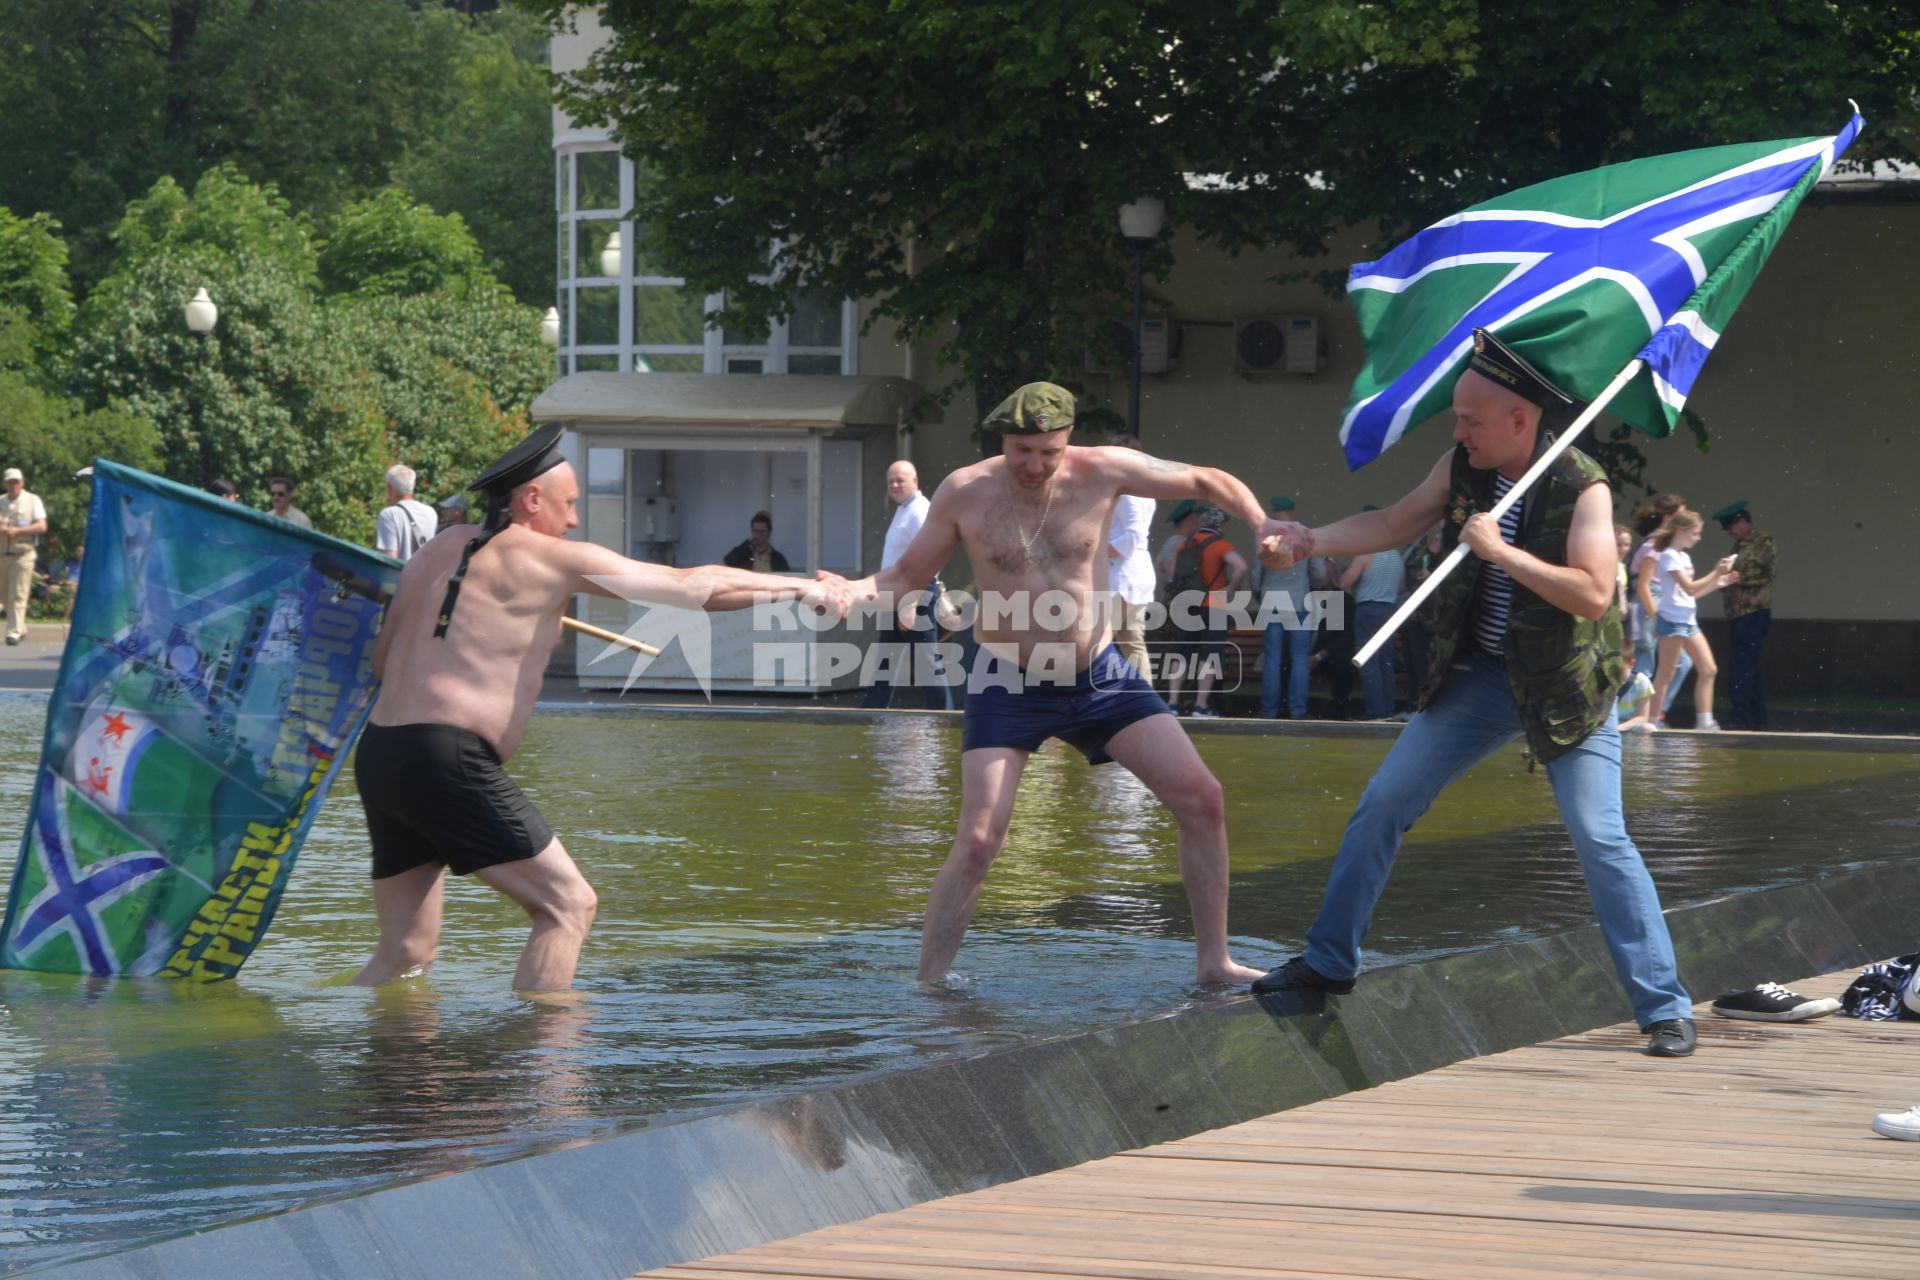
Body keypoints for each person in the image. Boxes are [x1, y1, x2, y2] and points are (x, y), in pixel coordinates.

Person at [1250, 328, 1699, 1058]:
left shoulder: (1582, 485)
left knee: (1600, 837)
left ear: (1521, 420)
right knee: (1383, 803)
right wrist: (1311, 541)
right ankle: (1328, 963)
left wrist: (1502, 553)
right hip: (1482, 675)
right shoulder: (1462, 466)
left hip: (1565, 687)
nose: (1458, 432)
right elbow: (1394, 523)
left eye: (1472, 420)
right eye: (1457, 419)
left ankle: (1664, 1007)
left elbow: (1590, 597)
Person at [352, 424, 854, 993]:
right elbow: (691, 588)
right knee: (568, 906)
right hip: (446, 758)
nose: (572, 521)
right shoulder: (553, 559)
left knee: (405, 951)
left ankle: (371, 1066)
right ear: (531, 500)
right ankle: (547, 1074)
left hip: (381, 755)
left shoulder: (434, 551)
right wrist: (796, 588)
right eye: (568, 506)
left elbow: (380, 661)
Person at [854, 381, 1278, 986]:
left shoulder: (1103, 470)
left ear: (1067, 440)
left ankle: (1215, 962)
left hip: (1098, 675)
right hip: (1008, 681)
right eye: (1021, 450)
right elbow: (908, 575)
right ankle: (930, 984)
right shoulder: (964, 491)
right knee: (978, 840)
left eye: (1047, 452)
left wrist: (1264, 524)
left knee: (1203, 800)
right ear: (1002, 441)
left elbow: (1207, 480)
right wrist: (849, 591)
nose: (1033, 464)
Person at [863, 461, 952, 709]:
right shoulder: (905, 509)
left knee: (927, 664)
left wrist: (910, 604)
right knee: (885, 663)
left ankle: (944, 718)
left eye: (900, 480)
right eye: (891, 480)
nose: (894, 485)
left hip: (915, 596)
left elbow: (929, 559)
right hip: (896, 596)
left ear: (915, 481)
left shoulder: (920, 511)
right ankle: (870, 714)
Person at [1647, 509, 1738, 730]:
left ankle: (1705, 722)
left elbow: (1692, 593)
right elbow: (1688, 588)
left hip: (1688, 621)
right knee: (1666, 673)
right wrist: (1716, 573)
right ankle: (1651, 720)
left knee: (1709, 669)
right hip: (1672, 621)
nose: (1697, 538)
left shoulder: (1684, 557)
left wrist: (1718, 583)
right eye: (1695, 533)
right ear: (1680, 530)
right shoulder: (1668, 555)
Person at [1164, 505, 1244, 718]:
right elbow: (1241, 567)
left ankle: (1172, 704)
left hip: (1187, 604)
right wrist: (1231, 587)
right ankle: (1200, 706)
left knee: (1181, 652)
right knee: (1208, 655)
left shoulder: (1184, 544)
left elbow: (1171, 571)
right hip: (1214, 604)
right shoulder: (1221, 545)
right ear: (1221, 524)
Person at [1338, 507, 1405, 719]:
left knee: (1368, 662)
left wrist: (1342, 575)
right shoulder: (1396, 556)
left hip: (1368, 610)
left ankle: (1374, 711)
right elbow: (1401, 587)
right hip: (1390, 610)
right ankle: (1387, 709)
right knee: (1386, 662)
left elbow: (1343, 583)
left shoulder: (1365, 554)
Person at [1250, 495, 1313, 719]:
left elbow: (1256, 575)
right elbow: (1321, 573)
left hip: (1272, 601)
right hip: (1300, 601)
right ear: (1292, 512)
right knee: (1299, 657)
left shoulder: (1264, 536)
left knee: (1273, 657)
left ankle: (1269, 710)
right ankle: (1298, 709)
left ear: (1274, 513)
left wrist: (1261, 595)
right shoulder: (1305, 535)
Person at [1629, 495, 1692, 715]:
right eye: (1681, 514)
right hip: (1648, 604)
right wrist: (1656, 616)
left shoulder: (1665, 544)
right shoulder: (1655, 545)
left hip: (1661, 601)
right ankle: (1638, 714)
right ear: (1669, 517)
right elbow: (1643, 586)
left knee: (1682, 662)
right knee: (1644, 662)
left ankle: (1655, 712)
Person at [1714, 500, 1775, 729]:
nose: (1729, 532)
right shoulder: (1738, 547)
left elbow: (1768, 573)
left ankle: (1740, 717)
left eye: (1731, 527)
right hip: (1738, 614)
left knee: (1742, 666)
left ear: (1743, 521)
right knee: (1748, 666)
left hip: (1754, 612)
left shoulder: (1762, 541)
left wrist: (1735, 582)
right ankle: (1756, 718)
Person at [1102, 436, 1158, 679]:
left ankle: (1095, 700)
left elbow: (1131, 536)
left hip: (1123, 576)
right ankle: (1144, 700)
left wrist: (1093, 554)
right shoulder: (1142, 490)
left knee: (1098, 640)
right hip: (1133, 574)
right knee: (1131, 640)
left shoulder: (1128, 493)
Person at [1, 467, 47, 645]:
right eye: (10, 482)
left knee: (18, 594)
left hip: (23, 553)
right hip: (2, 555)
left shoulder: (32, 500)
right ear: (5, 483)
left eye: (16, 482)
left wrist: (18, 531)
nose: (13, 486)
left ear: (22, 483)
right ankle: (21, 627)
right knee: (4, 596)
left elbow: (42, 526)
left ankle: (13, 632)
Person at [375, 464, 438, 562]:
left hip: (401, 576)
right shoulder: (431, 512)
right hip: (425, 575)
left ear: (389, 487)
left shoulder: (389, 515)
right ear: (413, 485)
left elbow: (389, 559)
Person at [722, 511, 790, 573]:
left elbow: (786, 578)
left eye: (762, 532)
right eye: (755, 531)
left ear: (769, 533)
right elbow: (728, 561)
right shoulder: (744, 554)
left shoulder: (778, 558)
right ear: (752, 531)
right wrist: (747, 543)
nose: (758, 535)